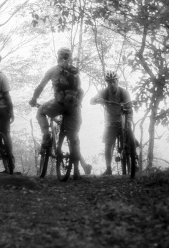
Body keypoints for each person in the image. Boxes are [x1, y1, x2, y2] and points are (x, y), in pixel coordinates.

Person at [29, 47, 85, 179]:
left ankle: (47, 136)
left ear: (58, 57)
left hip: (58, 105)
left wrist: (34, 99)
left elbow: (40, 87)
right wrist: (78, 103)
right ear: (70, 57)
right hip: (74, 107)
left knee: (40, 111)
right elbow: (80, 91)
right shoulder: (75, 72)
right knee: (74, 138)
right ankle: (76, 171)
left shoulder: (53, 70)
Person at [90, 71, 134, 175]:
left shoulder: (124, 92)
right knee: (108, 143)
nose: (112, 84)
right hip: (111, 120)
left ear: (117, 81)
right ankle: (108, 168)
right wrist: (98, 100)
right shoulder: (105, 92)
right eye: (109, 82)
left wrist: (127, 113)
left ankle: (133, 160)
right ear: (107, 83)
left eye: (114, 81)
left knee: (130, 134)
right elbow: (91, 101)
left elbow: (129, 106)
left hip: (123, 118)